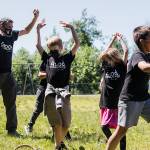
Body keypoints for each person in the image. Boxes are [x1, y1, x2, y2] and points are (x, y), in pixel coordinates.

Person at [36, 20, 80, 149]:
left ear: (62, 47)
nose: (55, 48)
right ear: (49, 48)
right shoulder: (47, 58)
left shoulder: (67, 58)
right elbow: (37, 44)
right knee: (57, 123)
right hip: (50, 91)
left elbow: (77, 43)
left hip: (64, 91)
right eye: (52, 46)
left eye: (57, 46)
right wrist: (38, 30)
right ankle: (58, 146)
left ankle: (59, 144)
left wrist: (72, 28)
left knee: (66, 123)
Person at [106, 26, 150, 150]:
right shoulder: (137, 55)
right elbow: (144, 67)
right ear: (142, 41)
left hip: (144, 98)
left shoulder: (148, 55)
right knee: (121, 131)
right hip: (129, 99)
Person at [0, 9, 39, 136]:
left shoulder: (12, 36)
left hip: (8, 75)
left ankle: (12, 130)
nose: (11, 28)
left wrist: (35, 18)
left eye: (12, 26)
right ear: (1, 25)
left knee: (11, 103)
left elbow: (26, 31)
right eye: (8, 25)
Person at [24, 61, 72, 140]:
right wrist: (51, 73)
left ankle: (62, 134)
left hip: (57, 90)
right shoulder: (47, 60)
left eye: (60, 47)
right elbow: (40, 75)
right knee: (38, 108)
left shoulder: (63, 62)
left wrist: (68, 75)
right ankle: (29, 126)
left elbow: (70, 76)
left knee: (59, 110)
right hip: (43, 88)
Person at [99, 33, 128, 150]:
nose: (108, 59)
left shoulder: (121, 66)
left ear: (114, 57)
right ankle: (112, 142)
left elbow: (126, 51)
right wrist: (112, 39)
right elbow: (103, 53)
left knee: (120, 129)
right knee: (104, 127)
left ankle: (121, 146)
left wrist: (120, 39)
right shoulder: (106, 66)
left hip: (117, 102)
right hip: (106, 101)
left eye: (110, 57)